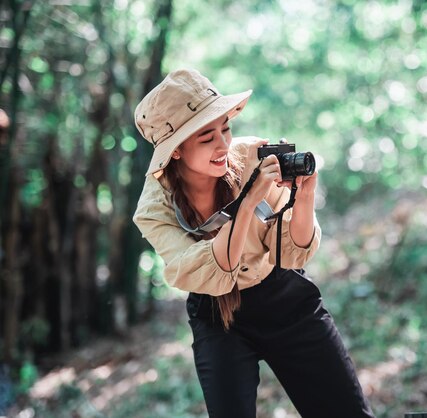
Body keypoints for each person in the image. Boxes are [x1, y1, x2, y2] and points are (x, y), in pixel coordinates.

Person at [132, 68, 375, 418]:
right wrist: (247, 202)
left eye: (226, 129)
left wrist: (305, 197)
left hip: (282, 295)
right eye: (206, 138)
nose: (223, 145)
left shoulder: (253, 158)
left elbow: (292, 253)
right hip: (218, 314)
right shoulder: (155, 208)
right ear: (177, 151)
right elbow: (217, 270)